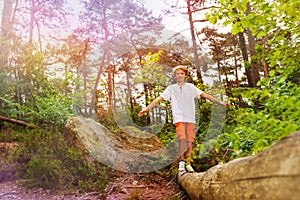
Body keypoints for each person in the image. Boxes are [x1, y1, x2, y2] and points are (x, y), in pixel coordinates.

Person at [138, 65, 230, 172]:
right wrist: (146, 109)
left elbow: (205, 95)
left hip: (190, 117)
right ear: (175, 76)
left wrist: (221, 102)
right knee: (181, 139)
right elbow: (159, 99)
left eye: (182, 73)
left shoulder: (191, 87)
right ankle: (181, 162)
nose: (180, 75)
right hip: (179, 118)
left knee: (189, 140)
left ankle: (188, 163)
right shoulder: (171, 89)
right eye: (177, 74)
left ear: (185, 75)